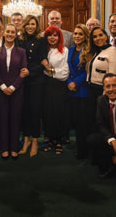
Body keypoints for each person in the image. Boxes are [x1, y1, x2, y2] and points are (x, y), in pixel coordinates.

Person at [0, 24, 28, 159]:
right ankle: (4, 147)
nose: (9, 34)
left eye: (12, 32)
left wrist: (13, 87)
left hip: (17, 90)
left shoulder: (21, 51)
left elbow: (23, 71)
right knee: (2, 119)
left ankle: (14, 147)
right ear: (4, 33)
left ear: (16, 34)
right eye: (7, 31)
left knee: (15, 119)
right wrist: (3, 87)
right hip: (0, 90)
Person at [17, 15, 48, 157]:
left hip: (36, 80)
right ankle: (26, 140)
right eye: (28, 24)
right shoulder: (20, 39)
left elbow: (42, 60)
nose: (30, 27)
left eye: (33, 24)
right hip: (22, 81)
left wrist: (31, 71)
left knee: (35, 111)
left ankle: (35, 140)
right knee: (24, 111)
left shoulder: (41, 40)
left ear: (37, 26)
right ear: (24, 25)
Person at [42, 26, 69, 154]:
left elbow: (64, 73)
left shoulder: (64, 50)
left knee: (59, 112)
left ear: (59, 37)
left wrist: (48, 70)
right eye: (49, 35)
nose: (52, 38)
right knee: (47, 113)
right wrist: (50, 72)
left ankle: (59, 140)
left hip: (58, 85)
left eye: (55, 35)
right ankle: (50, 140)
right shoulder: (43, 50)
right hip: (45, 85)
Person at [67, 24, 91, 159]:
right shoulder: (70, 50)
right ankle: (79, 146)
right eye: (75, 34)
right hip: (71, 90)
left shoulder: (89, 51)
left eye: (80, 34)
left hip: (83, 90)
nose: (77, 36)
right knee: (76, 121)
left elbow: (86, 71)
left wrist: (75, 82)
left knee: (83, 122)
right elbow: (68, 68)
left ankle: (84, 150)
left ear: (85, 36)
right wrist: (69, 82)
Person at [85, 27, 116, 110]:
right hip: (91, 89)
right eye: (95, 36)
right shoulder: (97, 51)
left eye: (100, 35)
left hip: (102, 91)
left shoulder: (113, 51)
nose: (98, 38)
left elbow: (113, 75)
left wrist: (106, 95)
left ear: (106, 36)